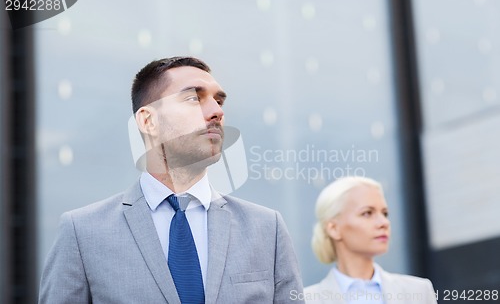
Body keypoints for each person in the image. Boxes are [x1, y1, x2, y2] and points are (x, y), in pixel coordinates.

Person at [39, 56, 304, 304]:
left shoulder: (267, 229)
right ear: (148, 120)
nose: (216, 111)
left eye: (219, 101)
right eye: (193, 98)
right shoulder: (82, 232)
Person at [303, 176, 437, 304]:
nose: (384, 222)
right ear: (334, 229)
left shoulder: (418, 291)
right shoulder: (304, 300)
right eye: (367, 213)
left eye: (385, 213)